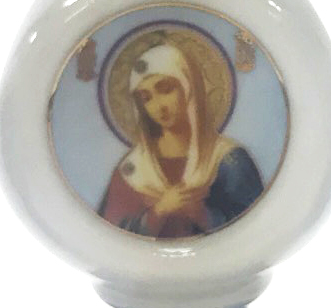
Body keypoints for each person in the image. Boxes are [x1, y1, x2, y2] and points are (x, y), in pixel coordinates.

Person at [100, 37, 263, 237]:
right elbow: (108, 235)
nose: (159, 106)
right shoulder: (132, 169)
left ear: (188, 87)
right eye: (146, 98)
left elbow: (257, 229)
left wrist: (201, 214)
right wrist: (159, 211)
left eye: (166, 89)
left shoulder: (229, 161)